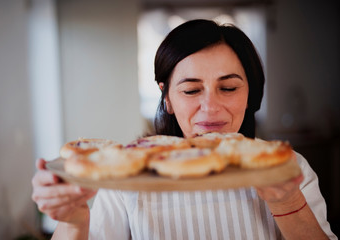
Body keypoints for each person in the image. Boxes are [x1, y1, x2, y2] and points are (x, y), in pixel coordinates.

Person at [31, 19, 337, 239]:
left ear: (250, 95)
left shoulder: (289, 169)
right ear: (167, 99)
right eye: (191, 91)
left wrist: (288, 203)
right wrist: (73, 222)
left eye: (228, 88)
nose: (210, 107)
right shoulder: (125, 178)